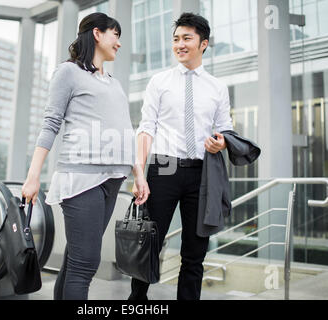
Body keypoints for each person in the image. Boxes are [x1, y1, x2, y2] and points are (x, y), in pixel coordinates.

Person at [21, 12, 148, 300]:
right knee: (86, 262)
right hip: (81, 177)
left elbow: (128, 132)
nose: (118, 43)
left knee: (75, 260)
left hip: (114, 179)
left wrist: (138, 174)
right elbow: (51, 123)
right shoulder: (68, 72)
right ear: (97, 34)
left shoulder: (114, 83)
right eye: (115, 35)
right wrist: (33, 177)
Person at [128, 12, 234, 300]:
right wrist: (139, 172)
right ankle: (136, 300)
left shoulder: (217, 87)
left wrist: (220, 142)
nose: (180, 44)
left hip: (202, 173)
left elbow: (226, 131)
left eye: (187, 38)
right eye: (176, 39)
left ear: (204, 44)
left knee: (194, 252)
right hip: (162, 169)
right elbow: (146, 128)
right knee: (149, 243)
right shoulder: (159, 81)